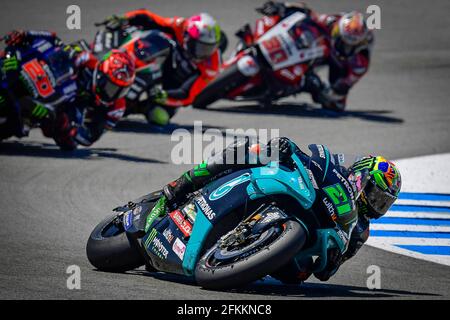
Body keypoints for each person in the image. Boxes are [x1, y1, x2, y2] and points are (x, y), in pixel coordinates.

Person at [150, 137, 401, 283]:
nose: (376, 204)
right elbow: (314, 156)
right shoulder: (337, 167)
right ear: (362, 176)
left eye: (383, 203)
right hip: (304, 198)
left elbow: (325, 273)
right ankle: (185, 182)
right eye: (375, 194)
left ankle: (242, 259)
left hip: (303, 241)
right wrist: (288, 147)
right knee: (252, 150)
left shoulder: (361, 230)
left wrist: (334, 260)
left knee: (297, 279)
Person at [0, 30, 136, 149]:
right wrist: (26, 35)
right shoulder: (87, 60)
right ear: (100, 75)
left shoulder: (116, 108)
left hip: (69, 109)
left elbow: (90, 137)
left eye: (121, 90)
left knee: (66, 139)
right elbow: (56, 42)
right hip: (49, 83)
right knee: (14, 54)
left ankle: (27, 117)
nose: (114, 93)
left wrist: (70, 129)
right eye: (112, 87)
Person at [252, 1, 374, 111]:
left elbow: (343, 87)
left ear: (359, 45)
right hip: (321, 48)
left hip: (339, 64)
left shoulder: (359, 63)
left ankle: (301, 83)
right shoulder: (331, 22)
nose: (342, 45)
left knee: (335, 104)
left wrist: (329, 90)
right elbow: (308, 13)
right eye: (341, 39)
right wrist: (281, 6)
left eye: (348, 45)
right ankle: (255, 41)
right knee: (279, 19)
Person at [103, 10, 223, 120]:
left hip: (170, 89)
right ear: (187, 36)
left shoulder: (211, 65)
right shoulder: (180, 26)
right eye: (200, 47)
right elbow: (149, 18)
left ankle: (136, 107)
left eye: (209, 48)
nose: (203, 53)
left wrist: (164, 96)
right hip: (158, 64)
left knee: (160, 117)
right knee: (158, 37)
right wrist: (125, 18)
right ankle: (118, 57)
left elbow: (188, 95)